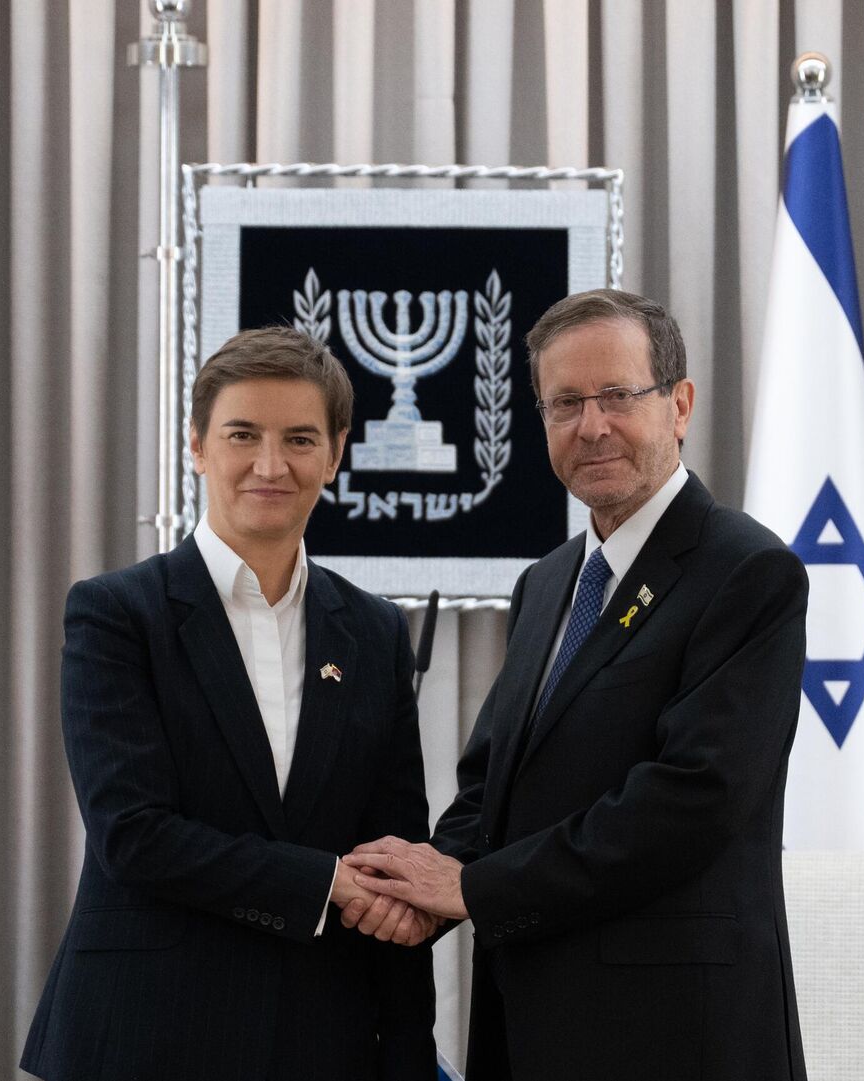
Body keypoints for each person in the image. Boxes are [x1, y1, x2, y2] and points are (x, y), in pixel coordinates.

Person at [344, 289, 811, 1080]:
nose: (592, 426)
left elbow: (690, 800)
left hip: (677, 1036)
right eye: (565, 403)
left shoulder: (747, 571)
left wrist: (473, 888)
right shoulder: (547, 581)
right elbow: (493, 788)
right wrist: (413, 889)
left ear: (680, 405)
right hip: (528, 1024)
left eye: (617, 395)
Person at [22, 327, 437, 1081]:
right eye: (243, 435)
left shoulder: (375, 631)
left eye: (300, 439)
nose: (270, 465)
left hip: (321, 1042)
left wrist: (409, 1052)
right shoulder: (118, 613)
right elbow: (133, 834)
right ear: (197, 446)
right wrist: (323, 883)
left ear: (336, 455)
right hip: (144, 1037)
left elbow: (393, 860)